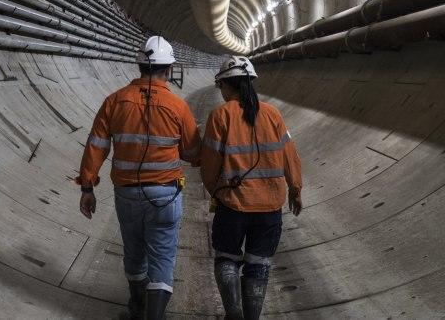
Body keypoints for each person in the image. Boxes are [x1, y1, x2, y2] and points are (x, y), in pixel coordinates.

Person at [76, 36, 201, 320]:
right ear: (168, 69)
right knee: (163, 256)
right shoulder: (177, 106)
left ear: (139, 65)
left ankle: (136, 308)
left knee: (134, 251)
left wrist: (87, 187)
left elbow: (96, 145)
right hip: (166, 194)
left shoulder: (115, 101)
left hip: (128, 193)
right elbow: (193, 152)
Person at [200, 56, 303, 320]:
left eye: (220, 86)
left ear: (226, 85)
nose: (220, 91)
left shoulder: (220, 115)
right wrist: (295, 189)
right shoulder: (273, 114)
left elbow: (209, 165)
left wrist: (216, 192)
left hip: (233, 204)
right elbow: (289, 154)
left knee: (226, 258)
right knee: (258, 265)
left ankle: (233, 313)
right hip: (269, 207)